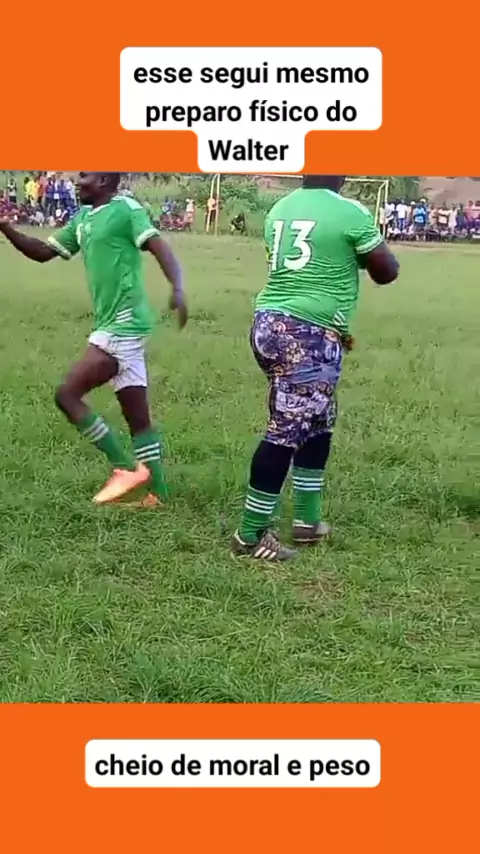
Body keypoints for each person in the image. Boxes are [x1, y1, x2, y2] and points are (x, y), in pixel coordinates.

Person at [231, 174, 399, 561]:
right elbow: (386, 271)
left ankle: (307, 521)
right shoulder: (348, 211)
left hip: (269, 322)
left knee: (319, 420)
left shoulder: (281, 207)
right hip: (307, 332)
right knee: (286, 430)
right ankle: (249, 535)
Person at [0, 171, 187, 507]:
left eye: (85, 175)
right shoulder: (83, 217)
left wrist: (178, 287)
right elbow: (42, 252)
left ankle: (125, 468)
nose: (77, 180)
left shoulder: (125, 209)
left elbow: (159, 245)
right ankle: (158, 495)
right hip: (117, 323)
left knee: (67, 394)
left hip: (122, 323)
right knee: (137, 417)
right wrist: (5, 227)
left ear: (103, 181)